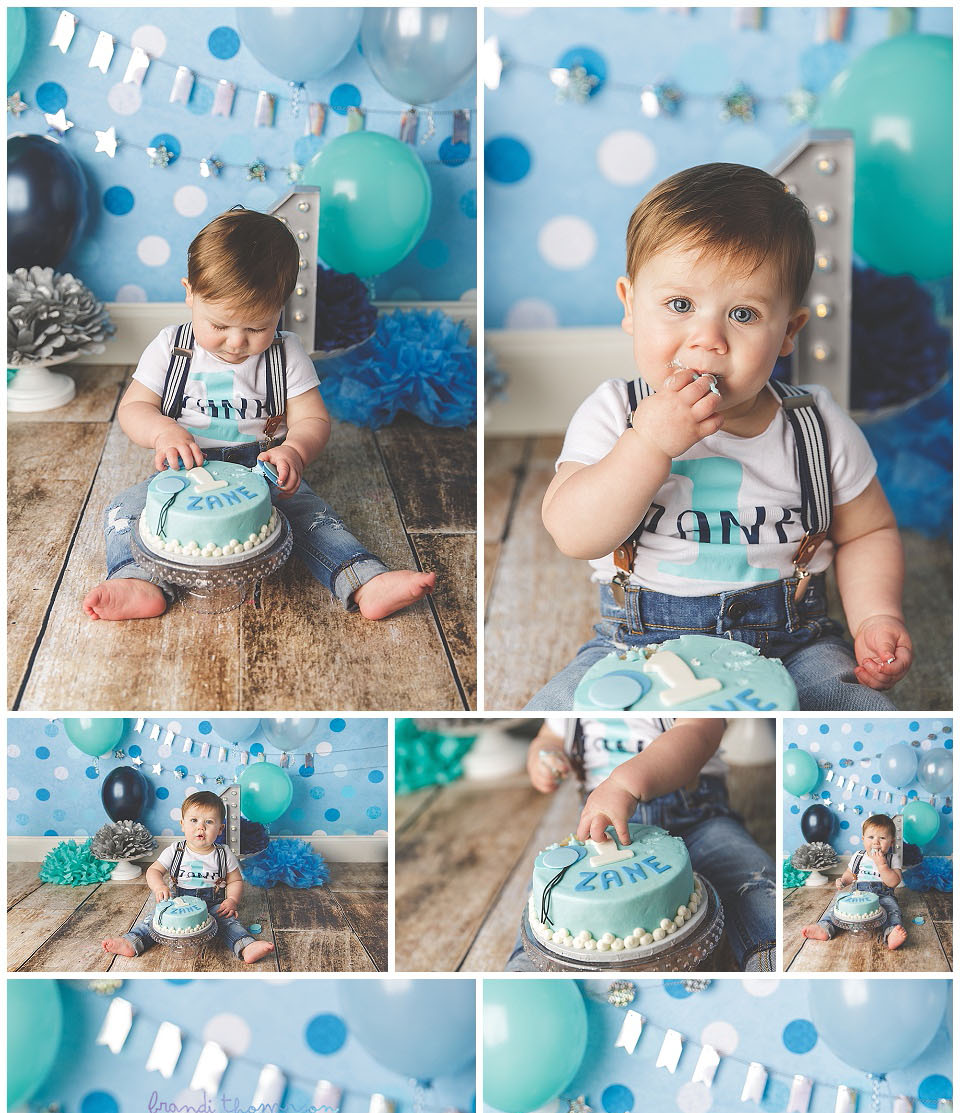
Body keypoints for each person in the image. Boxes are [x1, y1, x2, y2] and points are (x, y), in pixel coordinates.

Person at [528, 162, 911, 711]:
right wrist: (648, 444)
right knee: (556, 712)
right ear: (631, 306)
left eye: (743, 314)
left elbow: (868, 531)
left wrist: (877, 616)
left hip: (794, 645)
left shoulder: (815, 425)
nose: (709, 340)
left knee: (866, 717)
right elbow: (573, 532)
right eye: (680, 305)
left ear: (788, 332)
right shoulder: (616, 411)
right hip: (638, 644)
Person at [83, 208, 435, 622]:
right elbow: (134, 408)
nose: (236, 342)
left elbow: (313, 420)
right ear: (189, 293)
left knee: (312, 516)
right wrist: (163, 432)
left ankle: (363, 579)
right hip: (186, 471)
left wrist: (296, 452)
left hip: (262, 471)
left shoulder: (286, 355)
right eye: (219, 324)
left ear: (280, 309)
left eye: (256, 328)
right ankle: (137, 580)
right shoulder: (170, 347)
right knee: (125, 511)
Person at [508, 714, 775, 971]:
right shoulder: (576, 695)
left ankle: (771, 953)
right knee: (552, 894)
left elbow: (700, 731)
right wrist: (544, 756)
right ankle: (526, 968)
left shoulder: (679, 683)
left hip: (698, 821)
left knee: (747, 871)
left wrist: (624, 786)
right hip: (605, 837)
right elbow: (549, 737)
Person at [100, 790, 274, 964]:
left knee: (228, 923)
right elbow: (153, 871)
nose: (201, 827)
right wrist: (159, 886)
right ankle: (132, 941)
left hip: (213, 904)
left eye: (209, 822)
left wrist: (232, 901)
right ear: (182, 824)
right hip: (178, 902)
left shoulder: (223, 853)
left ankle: (246, 946)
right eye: (194, 820)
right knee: (154, 919)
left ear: (220, 828)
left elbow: (235, 880)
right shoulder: (175, 850)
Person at [802, 812, 906, 949]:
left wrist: (882, 865)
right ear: (863, 839)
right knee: (837, 905)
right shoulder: (858, 856)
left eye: (882, 838)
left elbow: (893, 882)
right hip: (858, 894)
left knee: (892, 909)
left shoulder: (892, 859)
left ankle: (891, 933)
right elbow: (850, 873)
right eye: (871, 837)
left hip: (883, 894)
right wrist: (844, 880)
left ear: (891, 841)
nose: (876, 842)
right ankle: (824, 927)